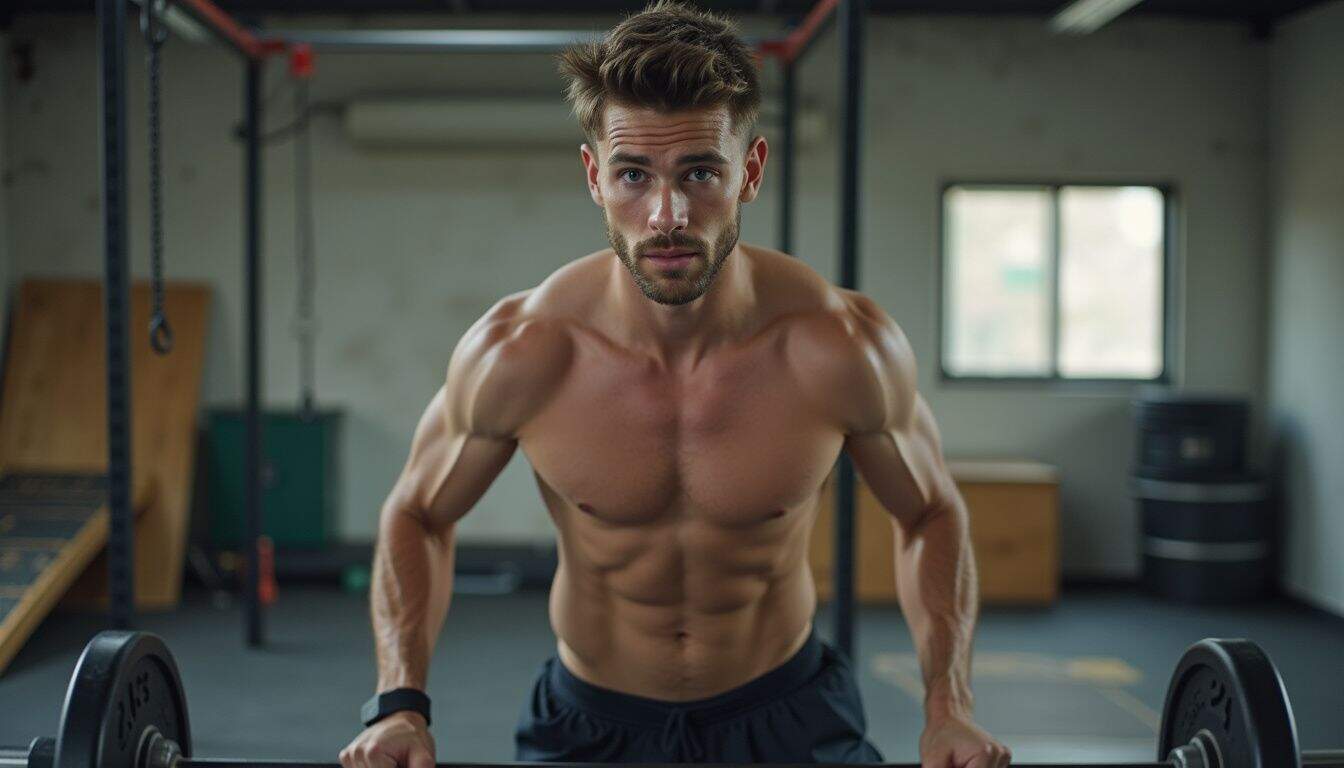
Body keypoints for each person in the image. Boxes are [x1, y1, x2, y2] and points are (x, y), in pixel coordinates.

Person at [339, 2, 1009, 766]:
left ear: (749, 171)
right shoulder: (523, 351)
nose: (667, 215)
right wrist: (399, 704)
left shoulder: (840, 347)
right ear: (595, 177)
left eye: (700, 172)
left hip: (785, 712)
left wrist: (948, 707)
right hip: (591, 721)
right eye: (633, 175)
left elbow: (930, 512)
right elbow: (417, 513)